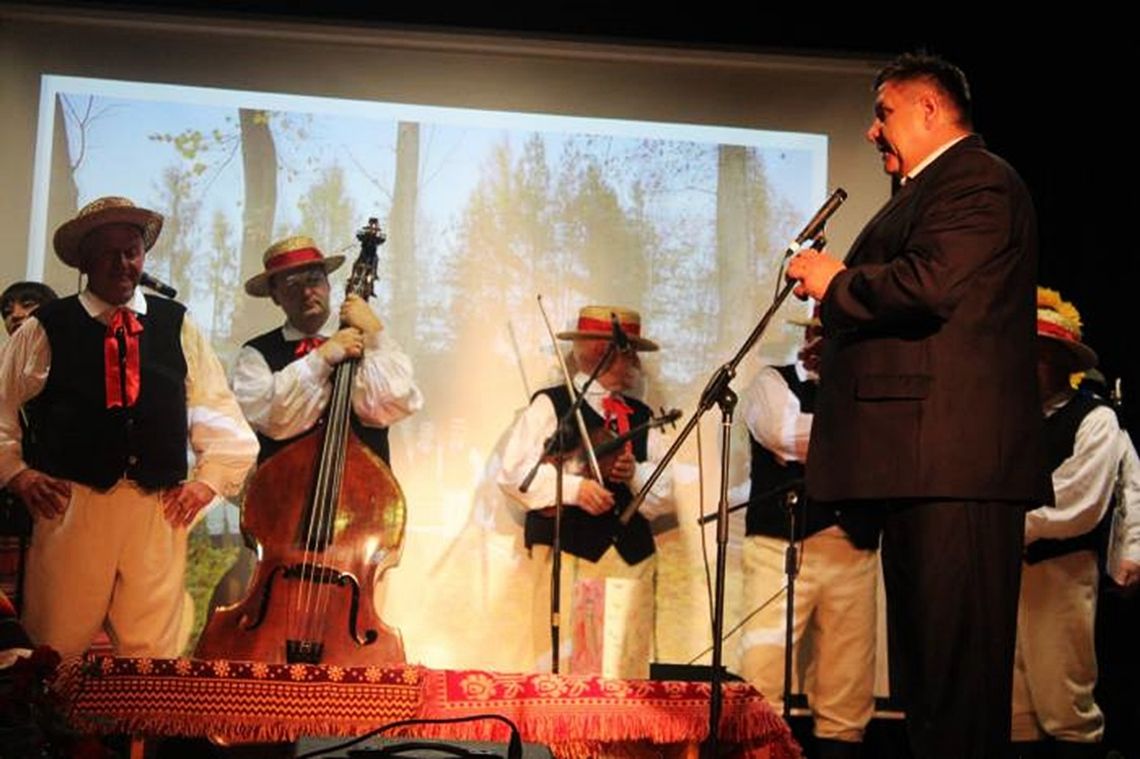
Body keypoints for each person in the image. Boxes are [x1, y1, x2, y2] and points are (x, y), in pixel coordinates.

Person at [785, 53, 1048, 758]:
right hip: (922, 469)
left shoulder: (980, 184)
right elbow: (933, 326)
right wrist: (840, 344)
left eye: (883, 112)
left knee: (954, 689)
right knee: (929, 685)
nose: (873, 132)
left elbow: (930, 284)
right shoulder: (931, 191)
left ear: (930, 110)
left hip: (955, 470)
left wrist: (835, 281)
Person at [0, 196, 258, 658]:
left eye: (132, 250)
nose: (122, 263)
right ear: (84, 259)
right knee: (53, 649)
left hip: (156, 511)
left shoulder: (177, 325)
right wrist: (17, 473)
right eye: (107, 252)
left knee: (154, 653)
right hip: (72, 508)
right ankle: (52, 731)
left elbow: (214, 407)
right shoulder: (46, 326)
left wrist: (209, 482)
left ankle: (140, 732)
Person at [498, 305, 673, 678]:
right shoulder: (553, 404)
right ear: (604, 352)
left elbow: (663, 494)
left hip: (630, 557)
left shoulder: (641, 415)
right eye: (631, 353)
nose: (637, 365)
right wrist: (575, 489)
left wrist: (634, 476)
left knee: (624, 671)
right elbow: (513, 474)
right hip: (569, 552)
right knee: (565, 666)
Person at [739, 318, 879, 759]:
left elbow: (888, 443)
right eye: (819, 331)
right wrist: (859, 436)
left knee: (848, 684)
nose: (822, 340)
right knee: (762, 673)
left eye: (836, 333)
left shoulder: (868, 391)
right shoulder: (771, 382)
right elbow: (786, 436)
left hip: (853, 548)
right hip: (781, 546)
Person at [1010, 288, 1114, 759]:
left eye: (1038, 356)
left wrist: (1006, 525)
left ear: (1058, 360)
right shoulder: (1006, 420)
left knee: (1064, 698)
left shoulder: (1093, 420)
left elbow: (1079, 501)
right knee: (1014, 707)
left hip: (1061, 571)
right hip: (1008, 573)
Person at [231, 235, 423, 468]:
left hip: (363, 493)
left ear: (328, 284)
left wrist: (375, 333)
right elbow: (273, 420)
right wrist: (321, 357)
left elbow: (394, 404)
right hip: (283, 495)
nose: (307, 293)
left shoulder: (370, 343)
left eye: (314, 280)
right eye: (293, 285)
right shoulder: (254, 354)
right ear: (275, 296)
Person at [0, 282, 58, 616]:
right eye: (7, 311)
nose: (15, 315)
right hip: (11, 517)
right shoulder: (6, 379)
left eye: (27, 304)